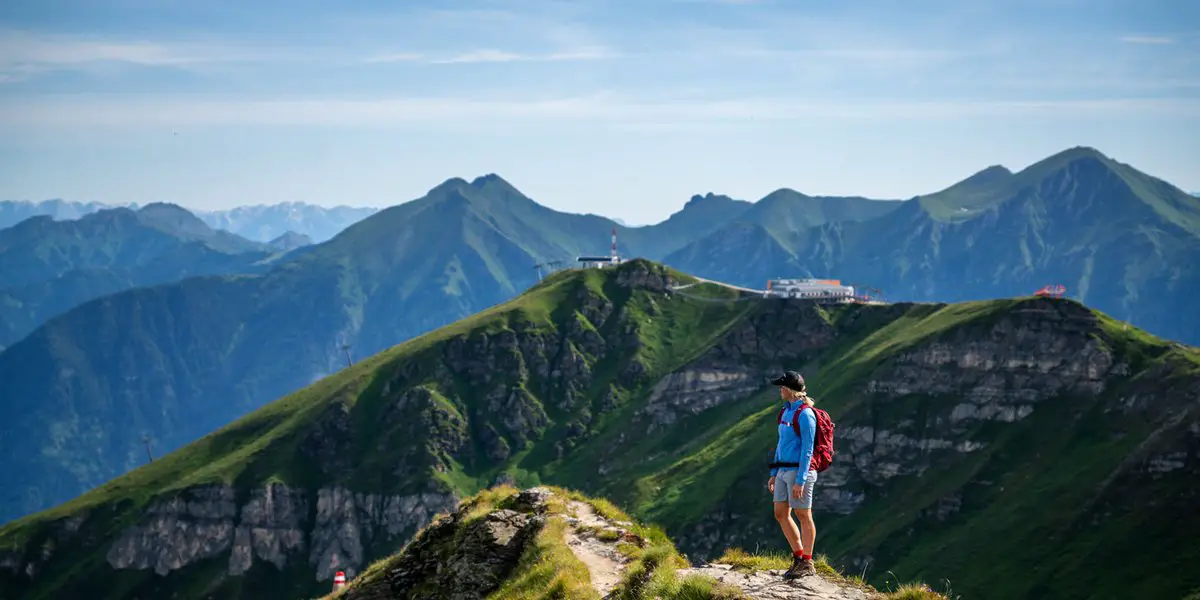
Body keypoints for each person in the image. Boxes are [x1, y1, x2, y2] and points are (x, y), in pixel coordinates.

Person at [767, 370, 818, 579]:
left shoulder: (805, 414)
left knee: (803, 515)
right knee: (781, 513)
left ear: (789, 390)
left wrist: (801, 480)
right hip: (783, 470)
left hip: (799, 471)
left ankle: (807, 561)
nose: (780, 390)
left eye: (782, 387)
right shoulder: (785, 412)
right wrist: (774, 471)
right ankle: (798, 557)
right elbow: (781, 443)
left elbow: (808, 449)